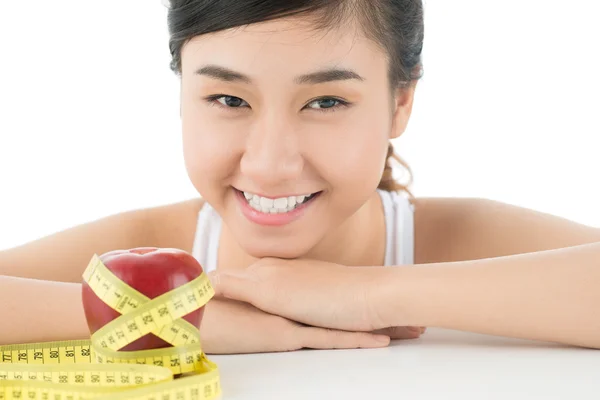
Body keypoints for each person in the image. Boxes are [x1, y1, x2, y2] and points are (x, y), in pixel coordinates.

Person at [1, 0, 599, 353]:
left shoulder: (457, 239)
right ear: (181, 94)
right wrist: (183, 321)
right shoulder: (142, 256)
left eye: (326, 103)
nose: (269, 163)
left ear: (400, 104)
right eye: (228, 100)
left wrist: (360, 296)